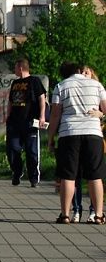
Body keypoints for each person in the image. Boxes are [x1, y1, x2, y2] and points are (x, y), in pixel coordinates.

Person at [48, 62, 106, 224]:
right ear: (80, 71)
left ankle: (65, 214)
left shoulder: (61, 86)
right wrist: (100, 115)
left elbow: (54, 116)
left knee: (68, 176)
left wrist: (51, 138)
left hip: (69, 134)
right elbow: (105, 109)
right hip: (93, 133)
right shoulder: (97, 85)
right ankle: (99, 215)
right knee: (95, 176)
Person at [5, 58, 47, 187]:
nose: (14, 70)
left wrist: (42, 116)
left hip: (29, 122)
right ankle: (17, 172)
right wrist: (7, 116)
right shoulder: (15, 83)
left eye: (15, 67)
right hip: (14, 122)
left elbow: (41, 98)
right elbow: (11, 101)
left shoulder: (34, 81)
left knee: (31, 151)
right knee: (12, 149)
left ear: (21, 68)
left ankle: (33, 178)